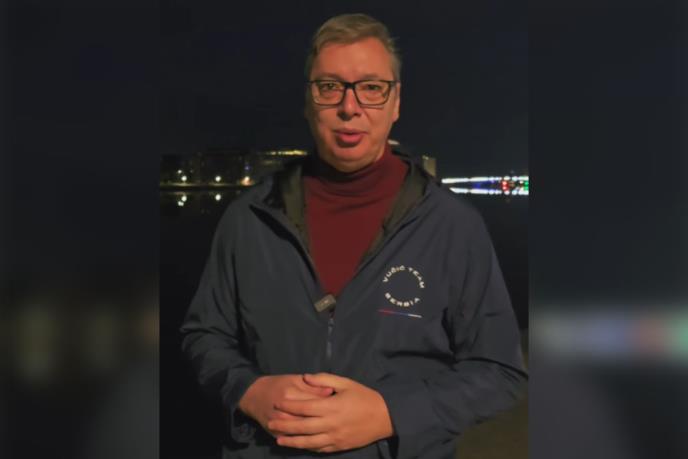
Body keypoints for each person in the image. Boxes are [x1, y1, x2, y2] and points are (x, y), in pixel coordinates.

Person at [180, 13, 527, 459]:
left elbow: (499, 370)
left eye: (371, 87)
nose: (349, 106)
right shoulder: (249, 219)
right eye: (330, 87)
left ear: (396, 102)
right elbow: (203, 336)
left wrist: (391, 414)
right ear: (308, 101)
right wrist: (248, 391)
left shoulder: (453, 226)